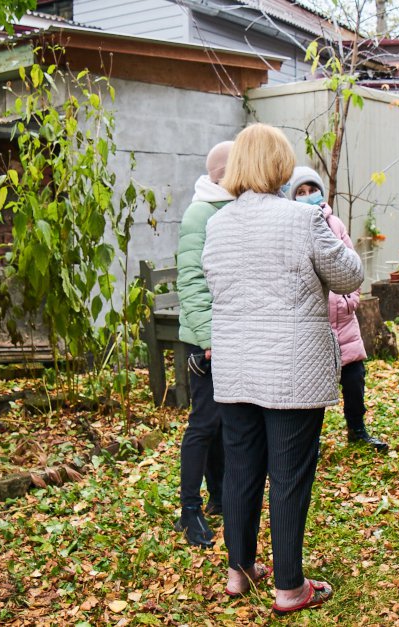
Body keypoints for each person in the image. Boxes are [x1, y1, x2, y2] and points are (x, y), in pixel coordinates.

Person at [202, 124, 364, 614]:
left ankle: (240, 569)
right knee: (290, 475)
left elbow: (214, 284)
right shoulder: (302, 219)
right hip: (291, 369)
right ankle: (290, 587)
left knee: (242, 469)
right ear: (279, 166)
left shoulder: (217, 224)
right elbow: (349, 275)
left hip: (235, 366)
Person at [285, 166, 388, 453]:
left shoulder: (335, 224)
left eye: (312, 190)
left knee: (354, 380)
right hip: (314, 324)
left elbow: (352, 263)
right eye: (301, 192)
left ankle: (357, 430)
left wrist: (350, 300)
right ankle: (310, 441)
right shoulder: (292, 228)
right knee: (313, 388)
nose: (308, 196)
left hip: (343, 321)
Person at [173, 140, 234, 548]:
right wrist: (210, 338)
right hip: (205, 342)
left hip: (231, 337)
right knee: (204, 423)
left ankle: (219, 498)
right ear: (222, 174)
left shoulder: (230, 207)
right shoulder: (202, 212)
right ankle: (188, 511)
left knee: (222, 423)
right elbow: (191, 282)